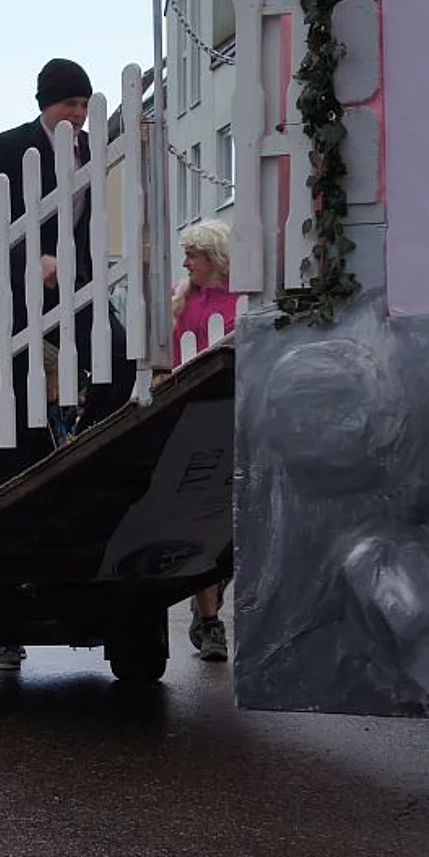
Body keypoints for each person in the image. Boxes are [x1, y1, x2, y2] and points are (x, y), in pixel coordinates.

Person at [0, 59, 139, 670]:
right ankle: (2, 619)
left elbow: (90, 219)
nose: (79, 117)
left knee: (118, 356)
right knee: (8, 403)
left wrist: (78, 268)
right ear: (46, 105)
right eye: (70, 106)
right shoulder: (6, 147)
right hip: (11, 293)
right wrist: (30, 258)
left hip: (75, 284)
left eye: (85, 107)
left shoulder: (92, 150)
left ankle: (85, 442)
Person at [170, 220, 239, 662]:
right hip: (188, 416)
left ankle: (209, 599)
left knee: (234, 525)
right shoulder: (180, 302)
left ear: (214, 258)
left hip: (236, 413)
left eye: (192, 254)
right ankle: (211, 621)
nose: (186, 262)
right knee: (201, 519)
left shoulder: (241, 300)